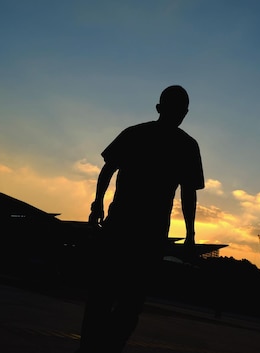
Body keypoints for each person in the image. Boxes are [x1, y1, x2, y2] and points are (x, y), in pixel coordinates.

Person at [76, 85, 205, 353]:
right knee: (127, 301)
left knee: (106, 295)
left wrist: (98, 203)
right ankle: (104, 347)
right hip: (145, 234)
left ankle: (94, 347)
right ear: (181, 112)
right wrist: (190, 235)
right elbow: (188, 194)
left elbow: (107, 169)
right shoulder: (186, 146)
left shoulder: (136, 134)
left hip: (124, 228)